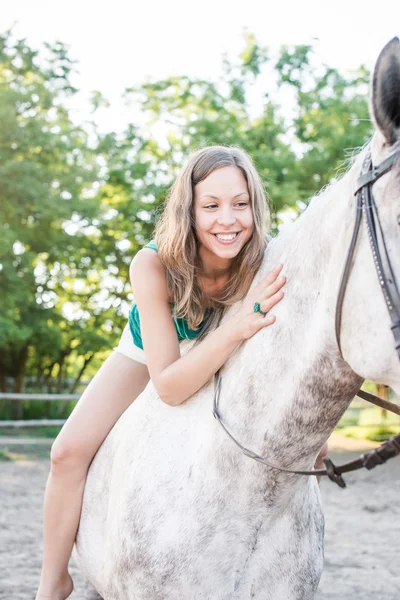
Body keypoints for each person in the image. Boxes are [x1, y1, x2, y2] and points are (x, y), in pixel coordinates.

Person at [35, 146, 323, 600]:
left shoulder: (263, 259)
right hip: (151, 353)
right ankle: (53, 581)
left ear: (255, 207)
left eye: (240, 204)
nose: (227, 220)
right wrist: (236, 326)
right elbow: (168, 384)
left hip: (229, 347)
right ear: (188, 211)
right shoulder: (152, 263)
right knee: (66, 452)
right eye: (210, 206)